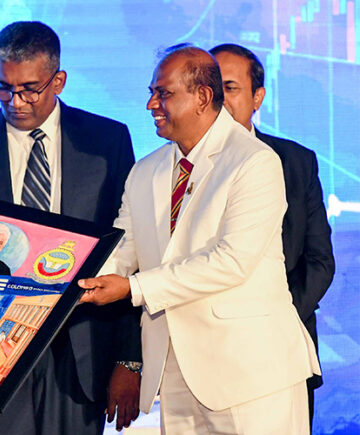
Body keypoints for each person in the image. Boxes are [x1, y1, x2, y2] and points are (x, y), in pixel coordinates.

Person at [79, 44, 321, 434]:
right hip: (176, 374)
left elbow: (231, 261)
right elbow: (123, 249)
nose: (151, 105)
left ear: (203, 97)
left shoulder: (254, 161)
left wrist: (133, 288)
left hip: (251, 374)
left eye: (164, 93)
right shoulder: (146, 170)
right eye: (152, 92)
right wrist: (68, 281)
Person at [0, 21, 141, 434]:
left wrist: (129, 360)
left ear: (58, 81)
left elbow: (130, 251)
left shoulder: (107, 141)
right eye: (3, 87)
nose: (15, 102)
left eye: (29, 89)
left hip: (82, 349)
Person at [210, 43, 335, 430]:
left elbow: (319, 261)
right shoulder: (173, 168)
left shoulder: (296, 162)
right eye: (210, 88)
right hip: (205, 351)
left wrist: (270, 319)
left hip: (282, 349)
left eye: (230, 88)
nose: (218, 99)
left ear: (257, 97)